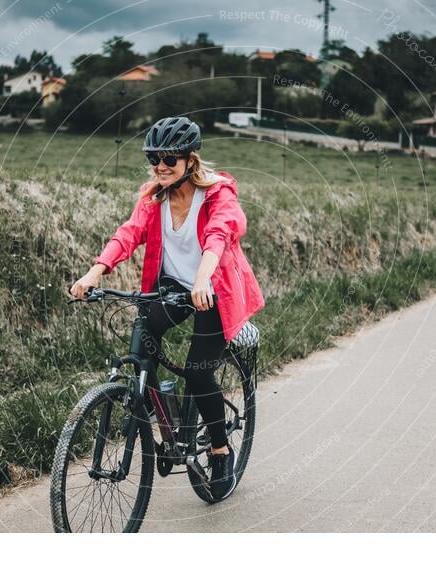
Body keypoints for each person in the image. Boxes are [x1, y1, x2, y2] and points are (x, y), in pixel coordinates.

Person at [69, 116, 265, 501]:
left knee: (197, 372)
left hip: (212, 290)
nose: (160, 166)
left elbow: (220, 235)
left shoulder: (218, 196)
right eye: (154, 158)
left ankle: (221, 450)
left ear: (190, 161)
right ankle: (167, 417)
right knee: (143, 340)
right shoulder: (152, 197)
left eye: (169, 159)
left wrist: (202, 279)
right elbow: (129, 233)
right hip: (172, 287)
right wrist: (95, 271)